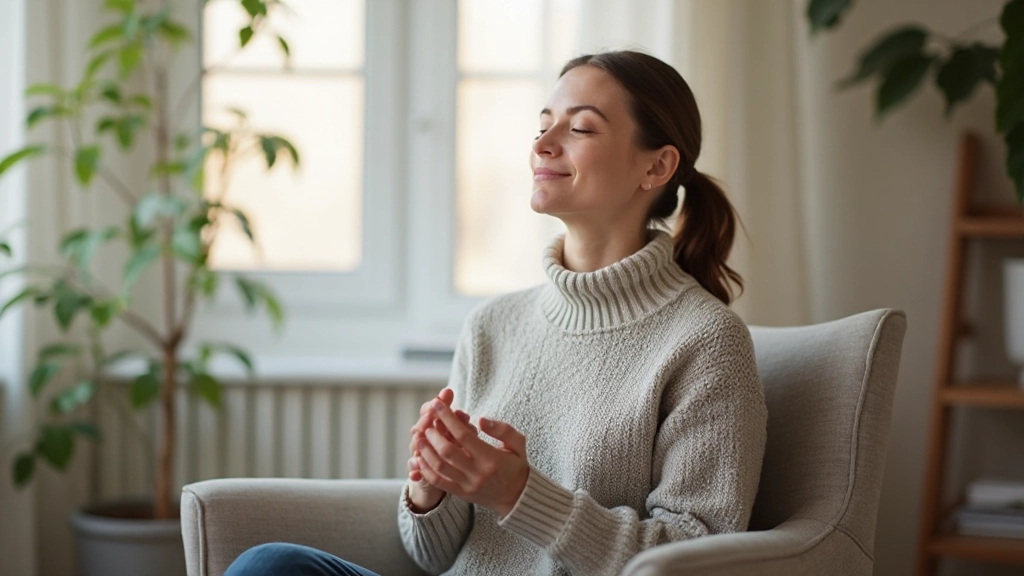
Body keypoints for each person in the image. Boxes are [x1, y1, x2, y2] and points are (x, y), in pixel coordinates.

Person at [225, 49, 767, 576]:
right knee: (268, 565)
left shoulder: (706, 342)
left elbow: (697, 555)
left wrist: (518, 493)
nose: (543, 145)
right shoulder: (493, 326)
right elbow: (431, 556)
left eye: (579, 129)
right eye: (543, 125)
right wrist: (430, 488)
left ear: (657, 166)